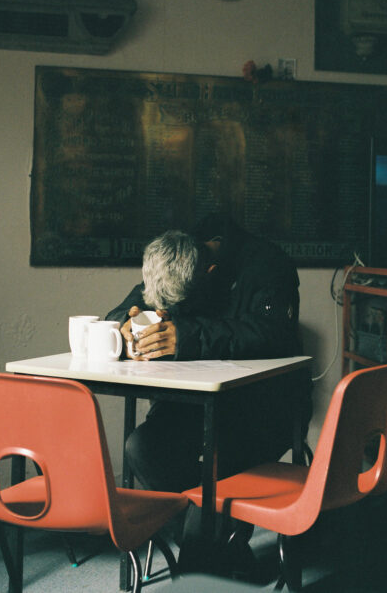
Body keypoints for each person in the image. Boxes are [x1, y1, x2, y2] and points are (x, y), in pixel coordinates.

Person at [105, 213, 311, 556]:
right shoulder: (178, 259)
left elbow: (274, 335)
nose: (168, 315)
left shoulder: (269, 265)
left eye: (179, 309)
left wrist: (186, 336)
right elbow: (131, 306)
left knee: (218, 466)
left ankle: (201, 554)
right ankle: (210, 541)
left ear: (210, 276)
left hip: (261, 408)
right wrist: (121, 329)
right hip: (190, 408)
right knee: (140, 447)